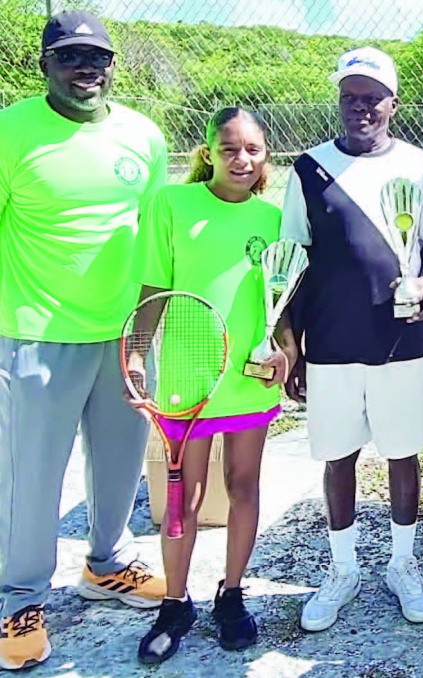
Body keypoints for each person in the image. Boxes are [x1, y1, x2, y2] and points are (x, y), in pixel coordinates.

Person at [0, 11, 169, 671]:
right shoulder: (11, 130)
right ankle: (18, 598)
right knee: (31, 477)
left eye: (96, 57)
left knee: (121, 461)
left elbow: (156, 241)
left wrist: (142, 337)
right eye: (70, 57)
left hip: (124, 337)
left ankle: (108, 564)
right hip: (36, 333)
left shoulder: (144, 136)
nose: (85, 69)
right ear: (44, 64)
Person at [281, 46, 423, 630]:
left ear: (392, 104)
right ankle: (343, 568)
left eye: (372, 97)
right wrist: (292, 342)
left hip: (401, 342)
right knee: (338, 456)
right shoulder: (308, 168)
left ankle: (403, 564)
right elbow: (290, 261)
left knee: (403, 453)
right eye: (350, 97)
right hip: (331, 343)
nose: (360, 107)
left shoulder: (419, 165)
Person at [129, 107, 295, 664]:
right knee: (184, 496)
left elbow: (283, 307)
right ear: (208, 153)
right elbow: (152, 290)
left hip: (250, 384)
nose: (241, 159)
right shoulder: (171, 206)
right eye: (229, 149)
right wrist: (133, 356)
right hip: (186, 384)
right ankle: (175, 604)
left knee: (244, 485)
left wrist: (287, 353)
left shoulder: (274, 221)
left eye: (253, 149)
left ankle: (231, 594)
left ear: (266, 154)